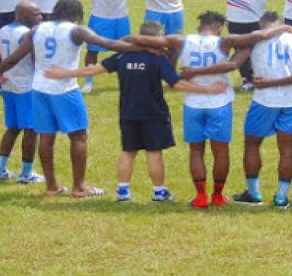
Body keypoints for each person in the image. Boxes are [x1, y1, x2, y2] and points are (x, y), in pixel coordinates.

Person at [124, 11, 292, 209]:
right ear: (219, 29)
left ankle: (200, 196)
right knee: (220, 151)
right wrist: (283, 27)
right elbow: (259, 36)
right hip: (219, 102)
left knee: (196, 151)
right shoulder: (224, 41)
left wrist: (163, 50)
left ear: (199, 27)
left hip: (193, 103)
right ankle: (217, 195)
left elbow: (136, 39)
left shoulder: (181, 41)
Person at [45, 21, 227, 203]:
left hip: (128, 111)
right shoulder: (158, 59)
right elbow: (176, 83)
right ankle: (159, 192)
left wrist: (61, 74)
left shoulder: (121, 56)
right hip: (154, 112)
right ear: (157, 39)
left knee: (128, 152)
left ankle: (123, 192)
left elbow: (92, 70)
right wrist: (208, 90)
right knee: (154, 152)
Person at [0, 0, 142, 198]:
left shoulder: (37, 30)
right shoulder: (76, 30)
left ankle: (52, 186)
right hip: (65, 90)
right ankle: (79, 187)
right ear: (76, 13)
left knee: (46, 136)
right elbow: (108, 43)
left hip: (39, 88)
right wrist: (142, 47)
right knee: (78, 135)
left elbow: (14, 58)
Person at [229, 12, 292, 208]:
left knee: (252, 144)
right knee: (287, 148)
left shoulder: (255, 38)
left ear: (264, 25)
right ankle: (282, 197)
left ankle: (254, 193)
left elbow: (234, 62)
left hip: (264, 99)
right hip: (291, 100)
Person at [190, 0, 276, 91]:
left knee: (259, 50)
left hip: (256, 19)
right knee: (240, 51)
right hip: (235, 19)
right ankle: (247, 80)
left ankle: (262, 77)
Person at [0, 1, 46, 183]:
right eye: (36, 14)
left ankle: (0, 169)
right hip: (27, 85)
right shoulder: (27, 34)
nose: (40, 17)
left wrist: (0, 73)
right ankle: (26, 173)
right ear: (23, 16)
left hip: (9, 84)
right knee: (31, 130)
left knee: (12, 129)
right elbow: (35, 59)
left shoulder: (3, 30)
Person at [81, 0, 134, 93]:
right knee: (92, 50)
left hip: (121, 17)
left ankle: (125, 80)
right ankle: (88, 82)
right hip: (100, 17)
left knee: (124, 50)